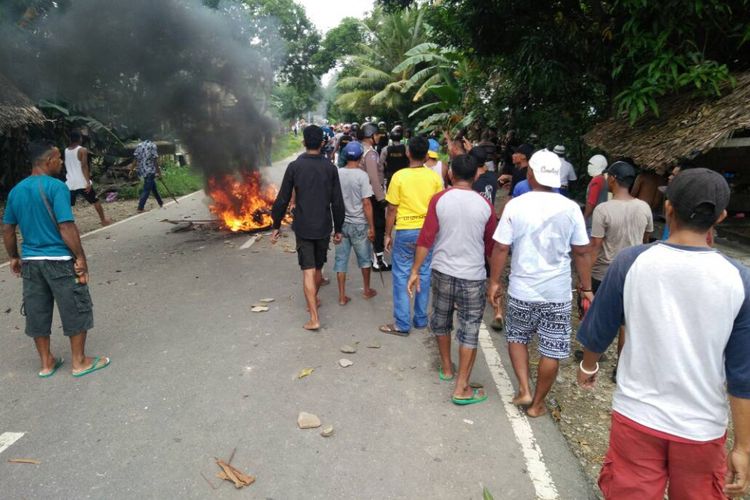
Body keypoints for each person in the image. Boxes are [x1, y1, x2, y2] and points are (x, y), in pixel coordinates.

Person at [576, 168, 750, 500]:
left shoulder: (632, 262)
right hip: (701, 428)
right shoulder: (739, 280)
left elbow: (599, 329)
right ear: (722, 216)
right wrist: (743, 447)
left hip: (636, 416)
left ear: (668, 208)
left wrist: (588, 366)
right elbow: (743, 373)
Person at [489, 150, 592, 417]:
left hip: (522, 288)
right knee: (551, 348)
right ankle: (536, 405)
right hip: (556, 292)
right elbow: (582, 251)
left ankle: (523, 388)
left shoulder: (516, 205)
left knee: (517, 337)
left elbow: (501, 247)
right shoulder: (571, 209)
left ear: (531, 174)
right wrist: (587, 287)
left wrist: (494, 282)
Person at [2, 141, 110, 378]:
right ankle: (79, 361)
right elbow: (66, 226)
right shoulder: (57, 187)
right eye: (59, 158)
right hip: (59, 260)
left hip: (31, 263)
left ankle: (46, 362)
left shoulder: (16, 190)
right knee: (75, 306)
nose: (61, 162)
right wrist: (80, 257)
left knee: (36, 310)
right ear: (49, 160)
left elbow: (8, 229)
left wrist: (13, 257)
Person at [408, 154, 497, 404]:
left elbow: (426, 238)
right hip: (473, 275)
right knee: (469, 327)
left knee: (441, 318)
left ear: (450, 174)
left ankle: (447, 368)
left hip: (443, 271)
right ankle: (462, 387)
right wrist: (495, 282)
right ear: (476, 175)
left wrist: (415, 270)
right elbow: (492, 247)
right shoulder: (485, 206)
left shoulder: (440, 200)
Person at [271, 125, 345, 331]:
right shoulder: (330, 168)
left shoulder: (294, 167)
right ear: (323, 143)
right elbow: (337, 202)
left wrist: (276, 224)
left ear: (304, 142)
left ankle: (314, 317)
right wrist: (338, 229)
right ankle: (315, 299)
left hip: (303, 226)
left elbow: (282, 199)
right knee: (319, 268)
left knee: (308, 271)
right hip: (323, 226)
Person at [588, 161, 653, 381]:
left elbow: (595, 246)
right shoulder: (644, 207)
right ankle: (621, 368)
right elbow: (646, 240)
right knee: (626, 322)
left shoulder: (603, 210)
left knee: (601, 317)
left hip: (604, 271)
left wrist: (584, 277)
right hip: (634, 271)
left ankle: (593, 360)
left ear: (613, 179)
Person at [379, 136, 444, 335]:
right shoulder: (434, 178)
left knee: (401, 275)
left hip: (405, 231)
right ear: (426, 156)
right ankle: (421, 319)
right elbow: (438, 206)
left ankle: (402, 323)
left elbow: (392, 209)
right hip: (427, 233)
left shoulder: (399, 176)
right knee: (424, 273)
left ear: (408, 153)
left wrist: (387, 234)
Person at [334, 141, 378, 305]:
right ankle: (366, 290)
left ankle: (341, 296)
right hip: (359, 224)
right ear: (360, 157)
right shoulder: (362, 175)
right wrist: (372, 227)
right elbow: (366, 203)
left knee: (341, 261)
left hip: (342, 224)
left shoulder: (338, 173)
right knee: (365, 259)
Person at [358, 122, 389, 272]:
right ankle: (379, 261)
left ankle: (373, 257)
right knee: (378, 226)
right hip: (372, 194)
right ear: (370, 136)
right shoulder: (370, 153)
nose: (378, 137)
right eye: (376, 135)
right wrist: (381, 198)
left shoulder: (360, 148)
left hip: (364, 193)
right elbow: (374, 178)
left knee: (372, 226)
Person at [65, 131, 111, 226]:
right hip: (82, 182)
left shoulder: (66, 150)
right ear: (79, 139)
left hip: (70, 183)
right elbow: (84, 166)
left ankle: (67, 225)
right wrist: (88, 182)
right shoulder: (82, 150)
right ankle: (103, 220)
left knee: (68, 206)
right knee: (95, 201)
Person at [132, 139, 164, 213]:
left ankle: (160, 202)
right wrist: (159, 172)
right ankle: (140, 207)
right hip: (150, 171)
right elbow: (155, 160)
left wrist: (131, 169)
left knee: (153, 188)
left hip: (143, 171)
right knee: (146, 189)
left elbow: (135, 158)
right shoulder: (152, 145)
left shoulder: (139, 145)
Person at [583, 154, 609, 231]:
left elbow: (591, 202)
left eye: (591, 164)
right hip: (603, 219)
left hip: (593, 220)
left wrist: (585, 217)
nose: (588, 166)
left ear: (597, 165)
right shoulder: (606, 179)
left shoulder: (596, 180)